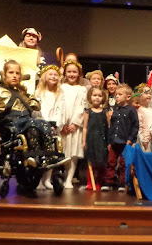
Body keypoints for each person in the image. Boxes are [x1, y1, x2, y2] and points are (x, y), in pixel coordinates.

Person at [102, 84, 139, 191]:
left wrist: (130, 139)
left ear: (128, 97)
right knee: (111, 162)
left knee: (123, 163)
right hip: (114, 141)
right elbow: (112, 126)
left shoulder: (131, 110)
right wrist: (109, 141)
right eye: (116, 95)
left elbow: (135, 126)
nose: (117, 96)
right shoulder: (115, 110)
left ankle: (123, 182)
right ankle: (109, 181)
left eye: (120, 94)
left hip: (125, 142)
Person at [34, 64, 64, 189]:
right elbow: (36, 110)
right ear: (44, 77)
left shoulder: (59, 94)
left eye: (55, 75)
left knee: (51, 153)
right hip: (40, 125)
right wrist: (42, 123)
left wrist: (55, 124)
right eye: (50, 74)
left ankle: (47, 179)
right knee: (40, 153)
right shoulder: (38, 93)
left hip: (52, 126)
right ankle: (38, 180)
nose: (53, 77)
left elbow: (61, 111)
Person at [60, 60, 87, 188]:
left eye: (74, 72)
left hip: (74, 127)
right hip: (63, 126)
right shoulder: (61, 88)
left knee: (73, 153)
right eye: (69, 72)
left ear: (79, 74)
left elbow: (82, 107)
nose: (71, 74)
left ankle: (69, 180)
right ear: (65, 73)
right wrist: (62, 124)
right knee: (63, 152)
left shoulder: (82, 89)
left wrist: (75, 124)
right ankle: (61, 177)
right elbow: (59, 105)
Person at [82, 86, 109, 191]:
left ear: (103, 98)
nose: (97, 97)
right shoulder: (88, 111)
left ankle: (99, 182)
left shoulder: (105, 111)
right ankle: (90, 182)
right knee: (91, 162)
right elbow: (85, 127)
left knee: (101, 162)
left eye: (99, 96)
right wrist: (84, 141)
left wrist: (108, 142)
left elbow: (108, 127)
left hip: (102, 140)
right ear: (90, 97)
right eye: (94, 95)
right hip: (91, 139)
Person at [134, 84, 152, 152]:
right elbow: (140, 125)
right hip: (141, 139)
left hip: (150, 138)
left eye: (150, 94)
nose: (149, 95)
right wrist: (144, 139)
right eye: (146, 93)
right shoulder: (139, 110)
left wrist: (151, 135)